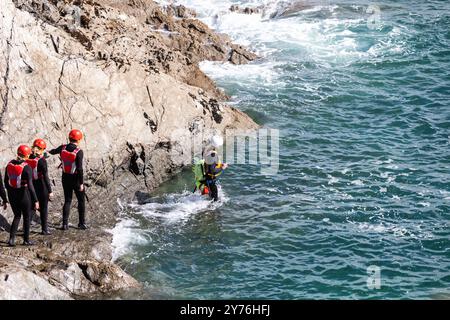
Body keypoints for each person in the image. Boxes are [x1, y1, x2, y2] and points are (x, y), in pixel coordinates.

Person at [49, 129, 86, 230]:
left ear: (69, 138)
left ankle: (65, 224)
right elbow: (79, 169)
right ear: (78, 140)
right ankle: (81, 223)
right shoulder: (79, 152)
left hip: (65, 177)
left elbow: (53, 152)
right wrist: (81, 183)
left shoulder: (63, 147)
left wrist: (47, 151)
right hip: (75, 178)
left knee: (68, 200)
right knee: (81, 200)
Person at [5, 145, 39, 246]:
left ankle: (11, 239)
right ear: (27, 155)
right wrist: (36, 200)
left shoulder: (9, 164)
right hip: (23, 194)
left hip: (12, 194)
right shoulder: (27, 168)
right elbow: (31, 186)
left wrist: (10, 192)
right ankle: (26, 240)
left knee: (17, 216)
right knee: (27, 217)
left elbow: (6, 182)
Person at [27, 139, 53, 235]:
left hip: (31, 185)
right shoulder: (42, 161)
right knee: (44, 208)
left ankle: (27, 228)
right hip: (41, 186)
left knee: (31, 207)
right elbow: (46, 177)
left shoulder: (28, 157)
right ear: (42, 149)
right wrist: (50, 191)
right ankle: (44, 229)